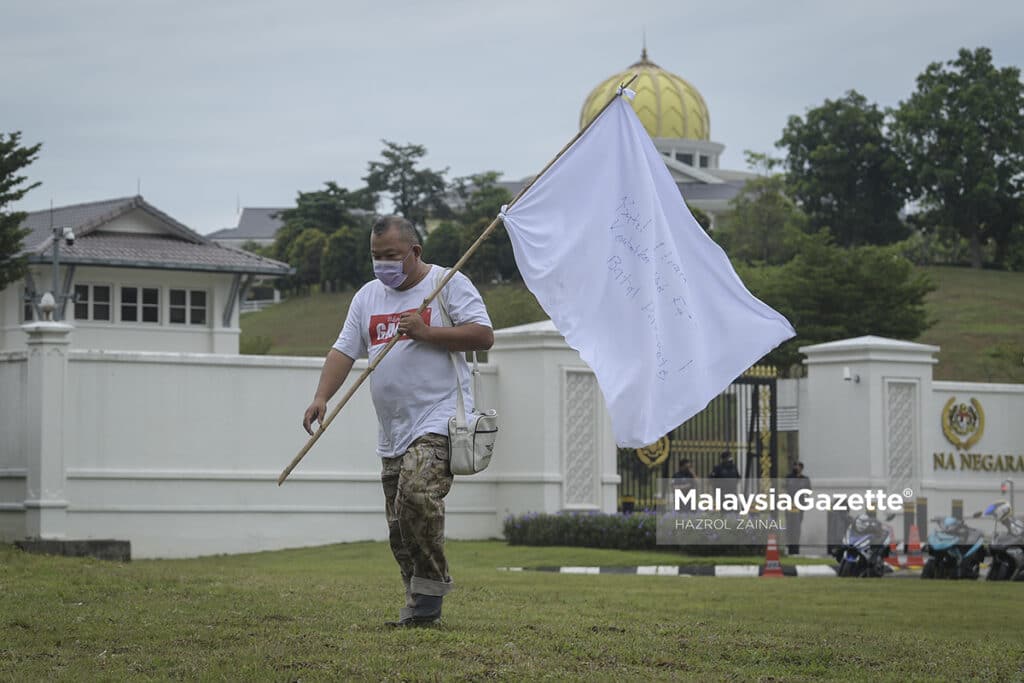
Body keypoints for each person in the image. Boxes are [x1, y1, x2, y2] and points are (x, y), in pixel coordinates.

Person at [302, 215, 494, 627]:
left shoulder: (447, 284)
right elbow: (343, 351)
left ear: (415, 252)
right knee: (400, 525)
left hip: (440, 420)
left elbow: (483, 335)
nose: (382, 264)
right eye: (376, 257)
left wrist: (427, 333)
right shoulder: (368, 297)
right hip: (392, 430)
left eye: (391, 256)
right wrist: (321, 396)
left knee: (417, 492)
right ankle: (419, 606)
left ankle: (430, 595)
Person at [785, 461, 811, 555]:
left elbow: (808, 491)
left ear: (801, 468)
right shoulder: (789, 477)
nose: (796, 467)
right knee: (790, 525)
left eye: (798, 466)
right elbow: (786, 489)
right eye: (795, 465)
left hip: (799, 506)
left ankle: (795, 546)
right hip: (790, 505)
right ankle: (790, 544)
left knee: (797, 526)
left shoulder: (805, 479)